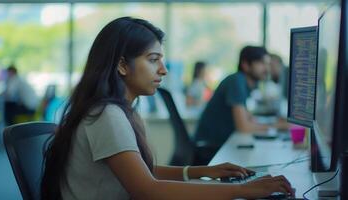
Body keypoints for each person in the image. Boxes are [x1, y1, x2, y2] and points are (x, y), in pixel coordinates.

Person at [41, 17, 294, 200]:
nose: (163, 69)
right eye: (153, 60)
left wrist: (202, 171)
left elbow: (142, 174)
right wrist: (242, 190)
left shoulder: (119, 110)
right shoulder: (106, 115)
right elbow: (147, 189)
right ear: (122, 65)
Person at [194, 46, 290, 150]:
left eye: (267, 64)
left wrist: (275, 122)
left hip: (222, 145)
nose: (267, 69)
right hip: (208, 147)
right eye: (261, 63)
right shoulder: (236, 81)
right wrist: (278, 126)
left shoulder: (243, 83)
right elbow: (243, 127)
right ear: (246, 65)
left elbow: (250, 119)